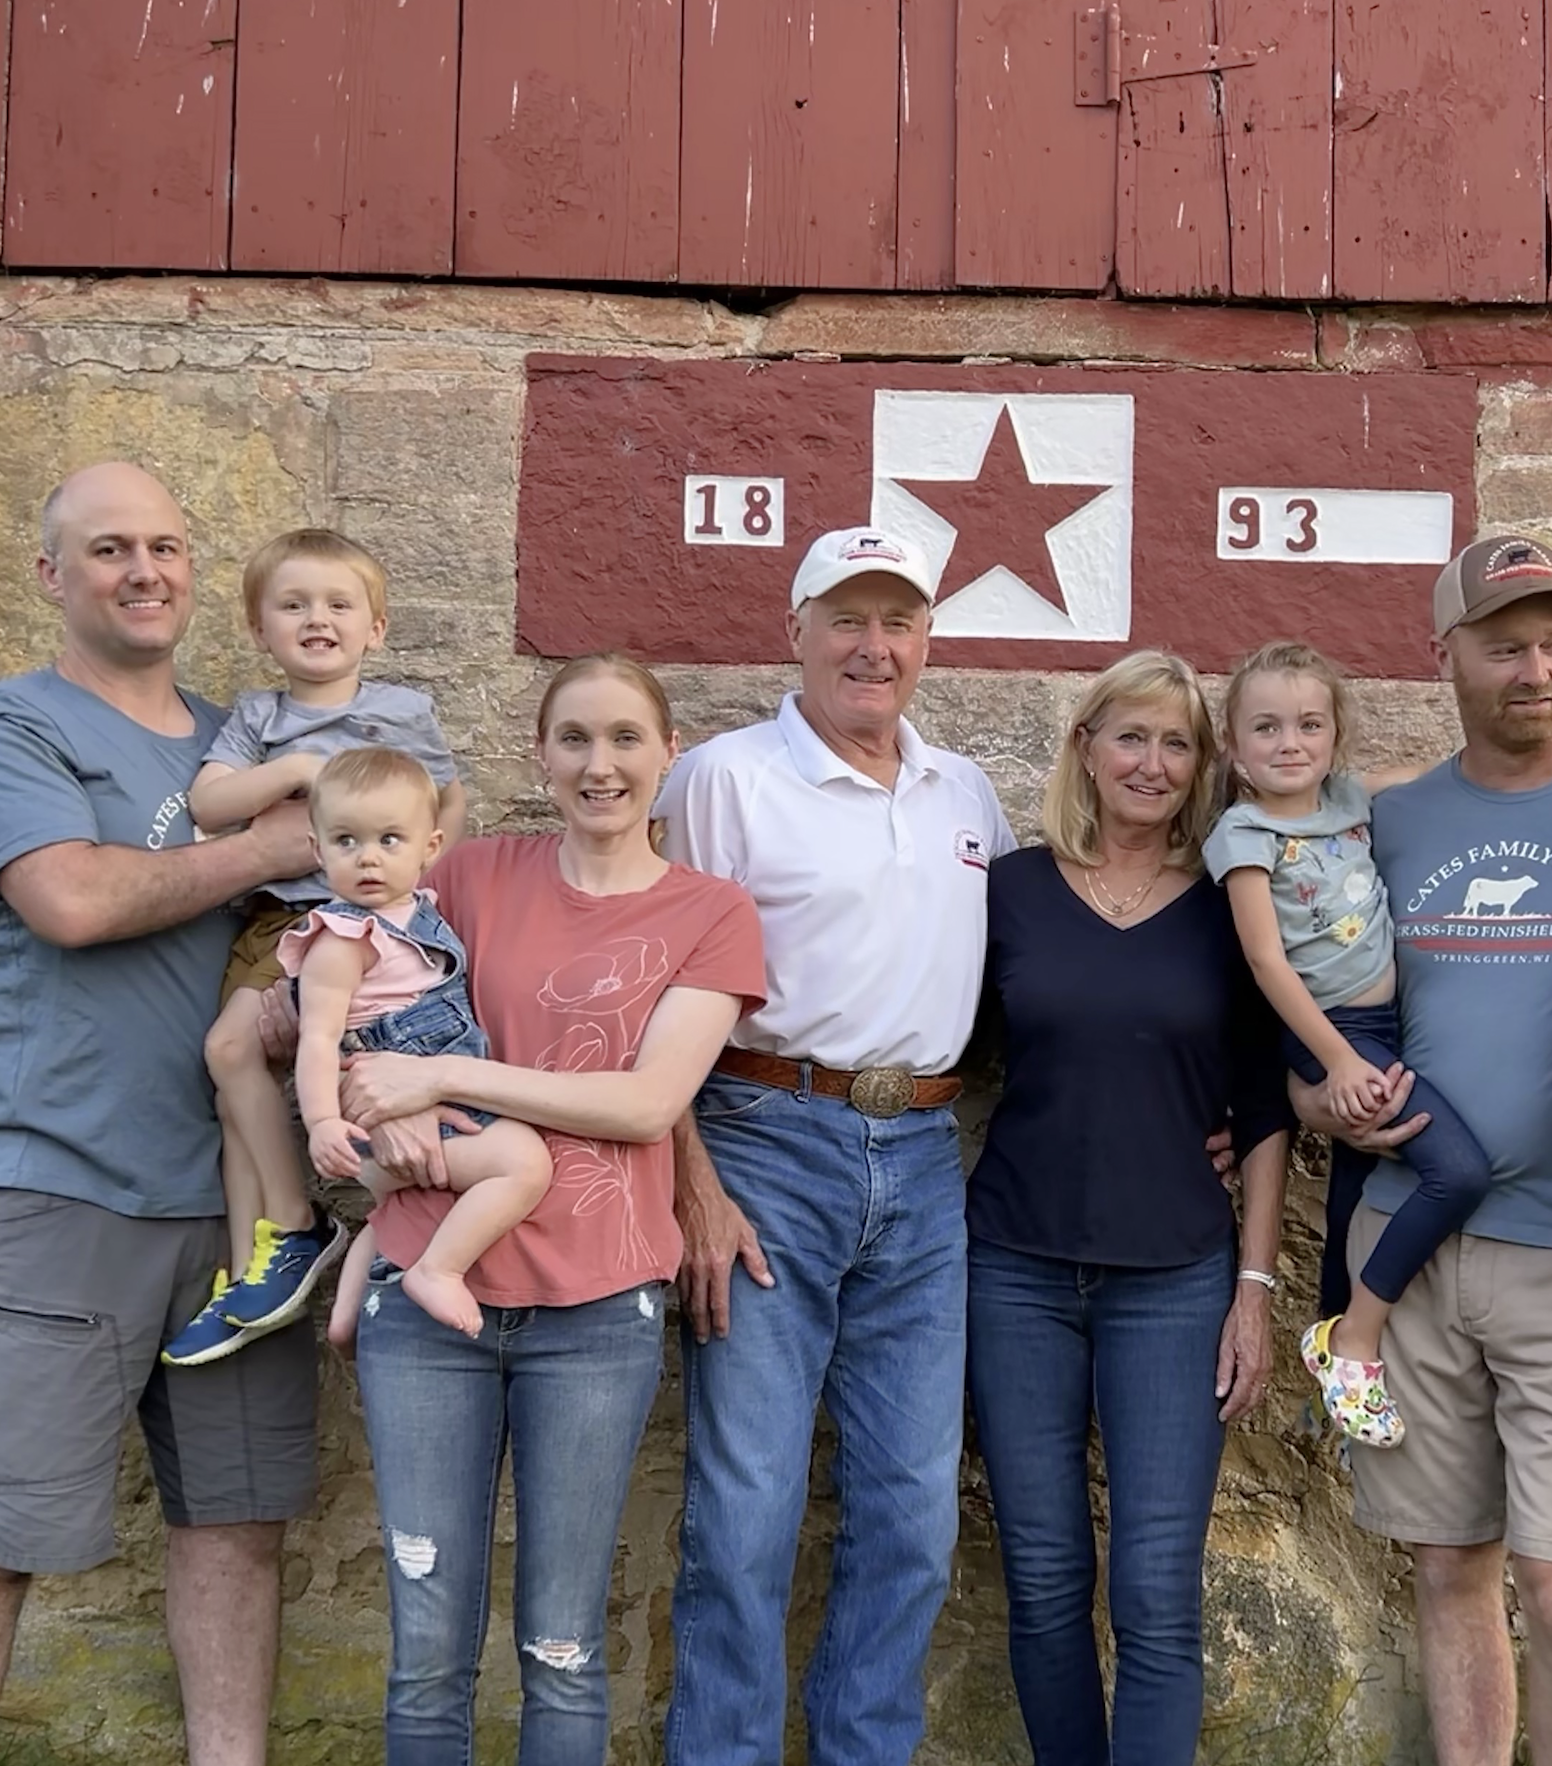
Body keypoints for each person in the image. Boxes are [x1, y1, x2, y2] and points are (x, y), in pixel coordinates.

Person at [0, 462, 322, 1766]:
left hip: (248, 1214)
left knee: (239, 1526)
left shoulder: (238, 741)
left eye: (168, 545)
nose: (145, 570)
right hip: (65, 1192)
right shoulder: (6, 731)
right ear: (50, 575)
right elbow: (73, 900)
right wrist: (269, 847)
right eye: (108, 549)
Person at [307, 654, 764, 1763]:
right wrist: (379, 1116)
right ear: (539, 754)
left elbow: (651, 1101)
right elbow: (351, 1005)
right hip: (423, 1297)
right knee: (425, 1647)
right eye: (572, 738)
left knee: (562, 1647)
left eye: (622, 738)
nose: (598, 764)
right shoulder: (465, 873)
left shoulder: (712, 912)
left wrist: (449, 1083)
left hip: (597, 1308)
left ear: (667, 753)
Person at [1287, 534, 1552, 1766]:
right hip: (1406, 1243)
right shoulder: (1383, 822)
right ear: (1440, 652)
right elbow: (1315, 1018)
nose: (1535, 668)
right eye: (1505, 644)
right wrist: (1314, 1102)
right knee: (1448, 1562)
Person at [656, 527, 1015, 1766]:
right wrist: (690, 1182)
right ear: (795, 628)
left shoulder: (964, 790)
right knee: (746, 1506)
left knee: (912, 1510)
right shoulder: (721, 777)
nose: (875, 646)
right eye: (847, 618)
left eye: (899, 620)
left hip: (921, 1153)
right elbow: (663, 993)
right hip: (763, 1138)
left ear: (926, 640)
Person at [967, 650, 1292, 1766]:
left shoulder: (1230, 904)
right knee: (1045, 1574)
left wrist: (1252, 1286)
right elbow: (955, 1053)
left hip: (1176, 1276)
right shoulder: (1008, 888)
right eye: (1129, 736)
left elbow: (1260, 1112)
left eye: (1176, 743)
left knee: (1156, 1585)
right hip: (1012, 1268)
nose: (1150, 763)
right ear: (1085, 747)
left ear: (1202, 765)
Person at [166, 528, 463, 1365]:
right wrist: (298, 771)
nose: (316, 619)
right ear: (261, 629)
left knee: (255, 1057)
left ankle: (302, 1228)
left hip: (371, 933)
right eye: (292, 605)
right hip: (279, 924)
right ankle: (256, 1259)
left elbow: (442, 812)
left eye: (339, 604)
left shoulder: (402, 712)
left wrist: (422, 915)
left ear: (376, 626)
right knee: (234, 1079)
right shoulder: (260, 716)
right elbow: (211, 804)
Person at [1204, 639, 1490, 1450]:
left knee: (1356, 1191)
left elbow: (1434, 778)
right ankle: (1355, 1337)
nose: (1288, 743)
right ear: (1235, 745)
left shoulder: (1348, 799)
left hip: (1388, 1026)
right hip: (1330, 1032)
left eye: (1308, 725)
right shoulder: (1244, 834)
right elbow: (1266, 962)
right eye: (1265, 728)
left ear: (1334, 736)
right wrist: (1334, 1058)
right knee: (1457, 1169)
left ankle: (1334, 1340)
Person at [256, 746, 550, 1345]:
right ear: (317, 850)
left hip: (426, 1102)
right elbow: (317, 1039)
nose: (368, 858)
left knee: (391, 1209)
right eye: (346, 841)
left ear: (430, 848)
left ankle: (344, 1316)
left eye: (390, 840)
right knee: (524, 1164)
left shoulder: (417, 915)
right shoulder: (344, 939)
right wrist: (320, 1122)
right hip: (385, 1116)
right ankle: (438, 1270)